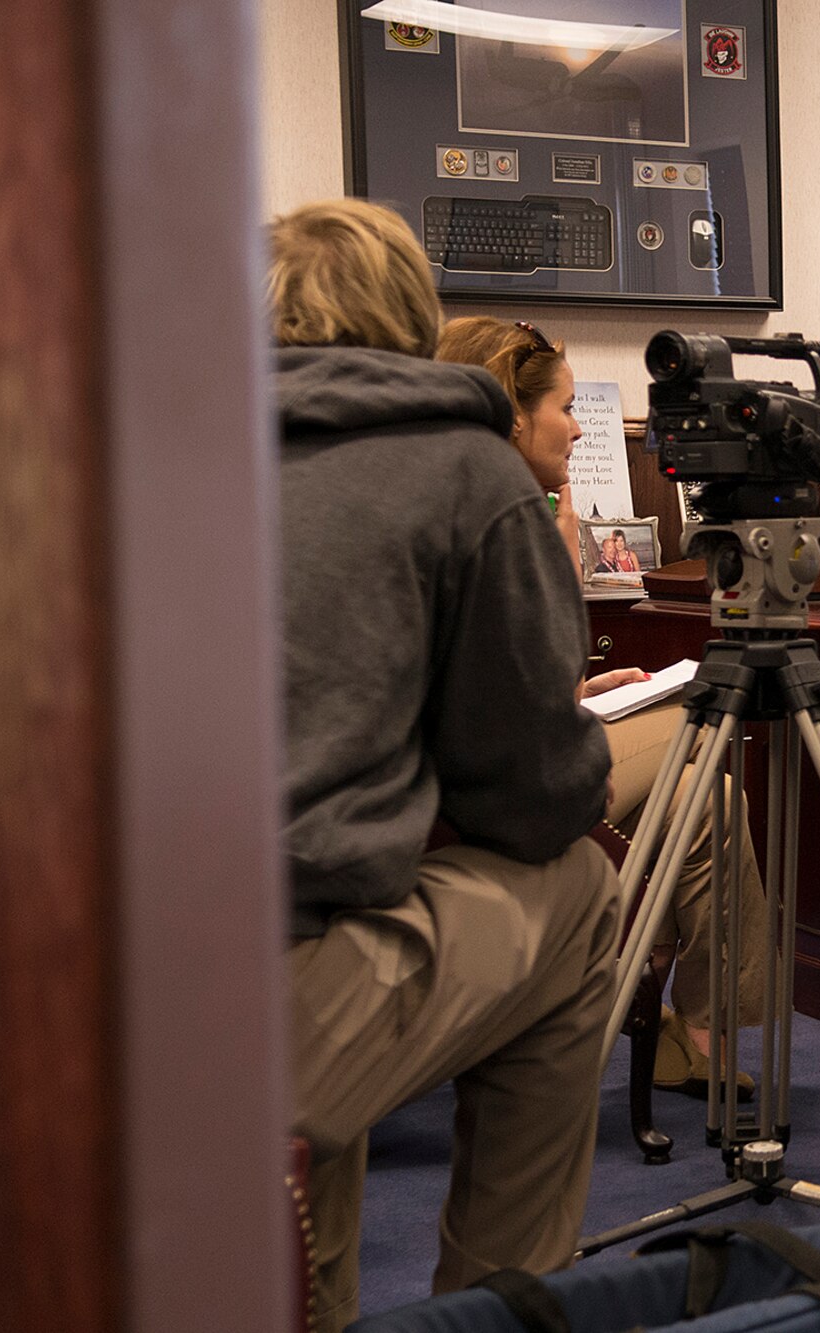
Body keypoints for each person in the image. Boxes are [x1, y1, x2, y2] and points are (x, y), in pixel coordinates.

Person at [271, 200, 623, 1333]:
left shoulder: (134, 456)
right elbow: (531, 797)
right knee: (580, 895)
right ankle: (491, 1313)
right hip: (268, 1008)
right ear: (413, 322)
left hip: (57, 992)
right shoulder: (466, 475)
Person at [435, 314, 768, 1098]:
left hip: (509, 753)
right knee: (710, 713)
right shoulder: (499, 519)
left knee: (709, 801)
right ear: (512, 416)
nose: (581, 428)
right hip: (500, 792)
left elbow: (492, 683)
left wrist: (581, 692)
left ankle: (696, 1029)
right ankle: (686, 1022)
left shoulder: (477, 503)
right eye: (566, 406)